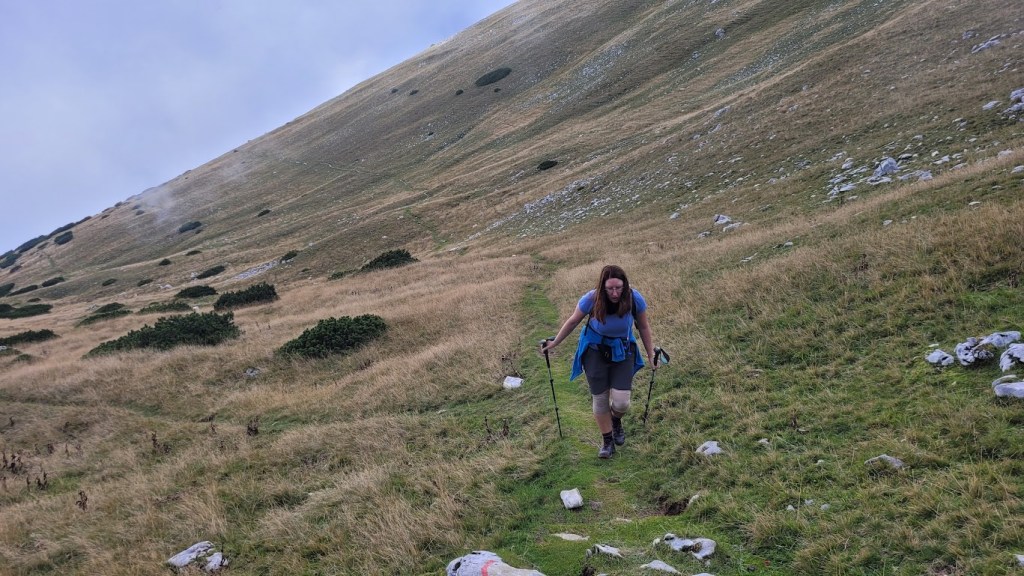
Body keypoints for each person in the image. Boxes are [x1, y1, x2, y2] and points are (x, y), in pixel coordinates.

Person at [540, 264, 656, 458]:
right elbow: (573, 321)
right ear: (602, 287)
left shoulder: (634, 298)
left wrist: (651, 355)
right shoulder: (591, 299)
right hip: (594, 351)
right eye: (610, 288)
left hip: (622, 351)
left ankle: (615, 420)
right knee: (600, 398)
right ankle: (607, 441)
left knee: (621, 402)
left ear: (625, 285)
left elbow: (643, 327)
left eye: (618, 287)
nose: (615, 293)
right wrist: (555, 342)